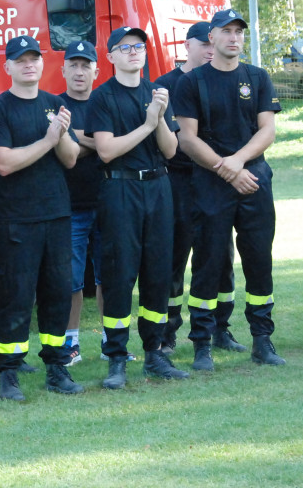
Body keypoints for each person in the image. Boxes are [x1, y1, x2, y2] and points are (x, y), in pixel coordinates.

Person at [174, 9, 286, 370]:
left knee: (259, 262)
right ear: (212, 36)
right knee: (208, 263)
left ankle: (262, 340)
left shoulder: (257, 77)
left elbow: (266, 131)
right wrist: (226, 168)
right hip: (210, 181)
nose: (234, 37)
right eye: (227, 31)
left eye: (239, 31)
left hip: (253, 179)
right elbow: (187, 139)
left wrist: (237, 162)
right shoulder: (192, 82)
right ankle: (202, 343)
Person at [86, 27, 188, 389]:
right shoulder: (103, 97)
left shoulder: (157, 94)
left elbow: (172, 150)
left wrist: (158, 117)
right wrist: (148, 123)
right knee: (119, 273)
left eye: (139, 47)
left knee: (158, 272)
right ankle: (116, 357)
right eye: (124, 47)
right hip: (120, 187)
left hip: (158, 187)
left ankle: (155, 352)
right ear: (110, 56)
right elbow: (107, 151)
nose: (134, 52)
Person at [0, 35, 83, 399]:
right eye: (20, 60)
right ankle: (8, 374)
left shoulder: (54, 104)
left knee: (57, 293)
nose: (29, 64)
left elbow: (70, 158)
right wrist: (48, 138)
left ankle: (56, 368)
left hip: (56, 214)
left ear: (43, 65)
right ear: (7, 67)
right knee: (15, 296)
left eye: (34, 59)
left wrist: (59, 135)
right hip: (17, 220)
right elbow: (5, 164)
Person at [155, 22, 245, 356]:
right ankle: (168, 331)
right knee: (175, 256)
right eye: (204, 43)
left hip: (216, 179)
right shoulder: (165, 85)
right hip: (179, 179)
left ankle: (220, 327)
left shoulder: (223, 80)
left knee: (221, 256)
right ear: (188, 45)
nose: (211, 49)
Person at [55, 40, 103, 364]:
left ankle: (111, 339)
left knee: (109, 275)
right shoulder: (55, 106)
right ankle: (70, 344)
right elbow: (63, 152)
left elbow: (113, 145)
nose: (79, 70)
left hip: (108, 201)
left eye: (86, 64)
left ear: (96, 70)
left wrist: (76, 137)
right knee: (71, 279)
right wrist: (97, 140)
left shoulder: (106, 103)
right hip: (68, 205)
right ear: (63, 70)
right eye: (73, 64)